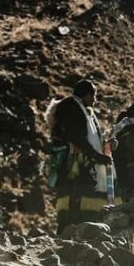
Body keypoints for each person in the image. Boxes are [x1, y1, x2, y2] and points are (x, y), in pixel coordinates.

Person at [45, 80, 118, 234]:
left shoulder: (81, 109)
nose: (95, 100)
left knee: (80, 195)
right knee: (74, 197)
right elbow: (77, 137)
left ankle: (76, 233)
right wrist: (97, 156)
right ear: (86, 95)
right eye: (94, 95)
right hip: (72, 163)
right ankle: (68, 234)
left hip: (80, 161)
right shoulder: (71, 108)